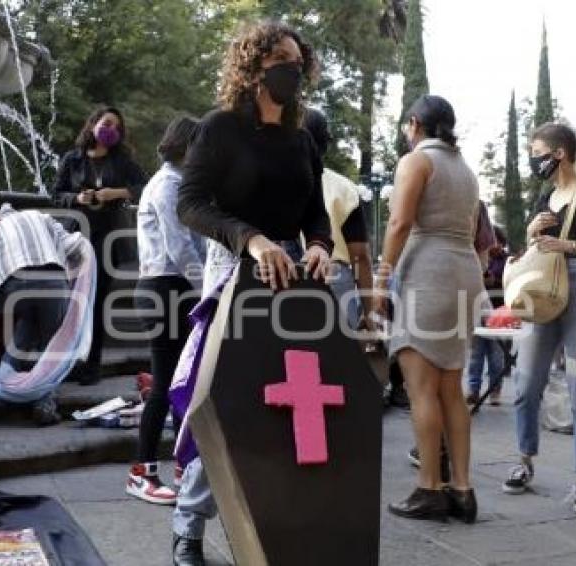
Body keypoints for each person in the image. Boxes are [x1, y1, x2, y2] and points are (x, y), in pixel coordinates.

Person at [172, 21, 332, 565]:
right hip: (237, 267)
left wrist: (321, 244)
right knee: (226, 400)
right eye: (282, 59)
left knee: (296, 406)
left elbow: (314, 210)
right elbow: (190, 204)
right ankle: (188, 529)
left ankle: (274, 522)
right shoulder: (219, 128)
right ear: (253, 67)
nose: (294, 69)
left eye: (298, 60)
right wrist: (252, 240)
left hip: (297, 277)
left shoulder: (304, 137)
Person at [375, 94, 483, 524]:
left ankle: (429, 488)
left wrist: (381, 280)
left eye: (406, 126)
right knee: (450, 388)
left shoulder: (416, 161)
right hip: (464, 271)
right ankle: (463, 489)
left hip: (429, 271)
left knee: (421, 388)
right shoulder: (466, 170)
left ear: (415, 123)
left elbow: (400, 224)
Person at [502, 123, 576, 515]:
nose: (533, 159)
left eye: (536, 151)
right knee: (526, 382)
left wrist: (566, 244)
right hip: (542, 287)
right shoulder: (543, 196)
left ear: (558, 154)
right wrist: (531, 233)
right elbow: (535, 252)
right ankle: (524, 460)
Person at [0, 204, 95, 426]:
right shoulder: (42, 218)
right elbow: (73, 247)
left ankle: (6, 376)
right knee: (51, 348)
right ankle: (44, 402)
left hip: (12, 289)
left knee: (28, 321)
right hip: (53, 284)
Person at [126, 116, 205, 505]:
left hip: (170, 287)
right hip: (165, 288)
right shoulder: (169, 185)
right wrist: (208, 289)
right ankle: (142, 471)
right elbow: (181, 247)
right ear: (187, 146)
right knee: (164, 386)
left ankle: (180, 462)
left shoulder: (177, 183)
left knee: (177, 382)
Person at [53, 107, 148, 385]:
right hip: (77, 238)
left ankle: (91, 365)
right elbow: (56, 194)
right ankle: (68, 361)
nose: (111, 131)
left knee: (97, 301)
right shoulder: (72, 159)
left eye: (117, 128)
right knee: (73, 301)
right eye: (107, 124)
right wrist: (77, 198)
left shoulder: (123, 160)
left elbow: (144, 186)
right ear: (93, 124)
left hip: (109, 239)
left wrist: (116, 192)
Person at [304, 109, 373, 330]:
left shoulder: (272, 182)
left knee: (297, 358)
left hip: (288, 276)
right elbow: (360, 256)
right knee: (339, 358)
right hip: (335, 279)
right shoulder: (344, 189)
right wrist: (369, 312)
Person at [464, 206, 503, 406]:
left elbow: (499, 281)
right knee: (476, 353)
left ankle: (495, 389)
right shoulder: (471, 254)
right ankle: (473, 389)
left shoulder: (504, 260)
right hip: (477, 306)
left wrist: (488, 278)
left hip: (497, 310)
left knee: (495, 354)